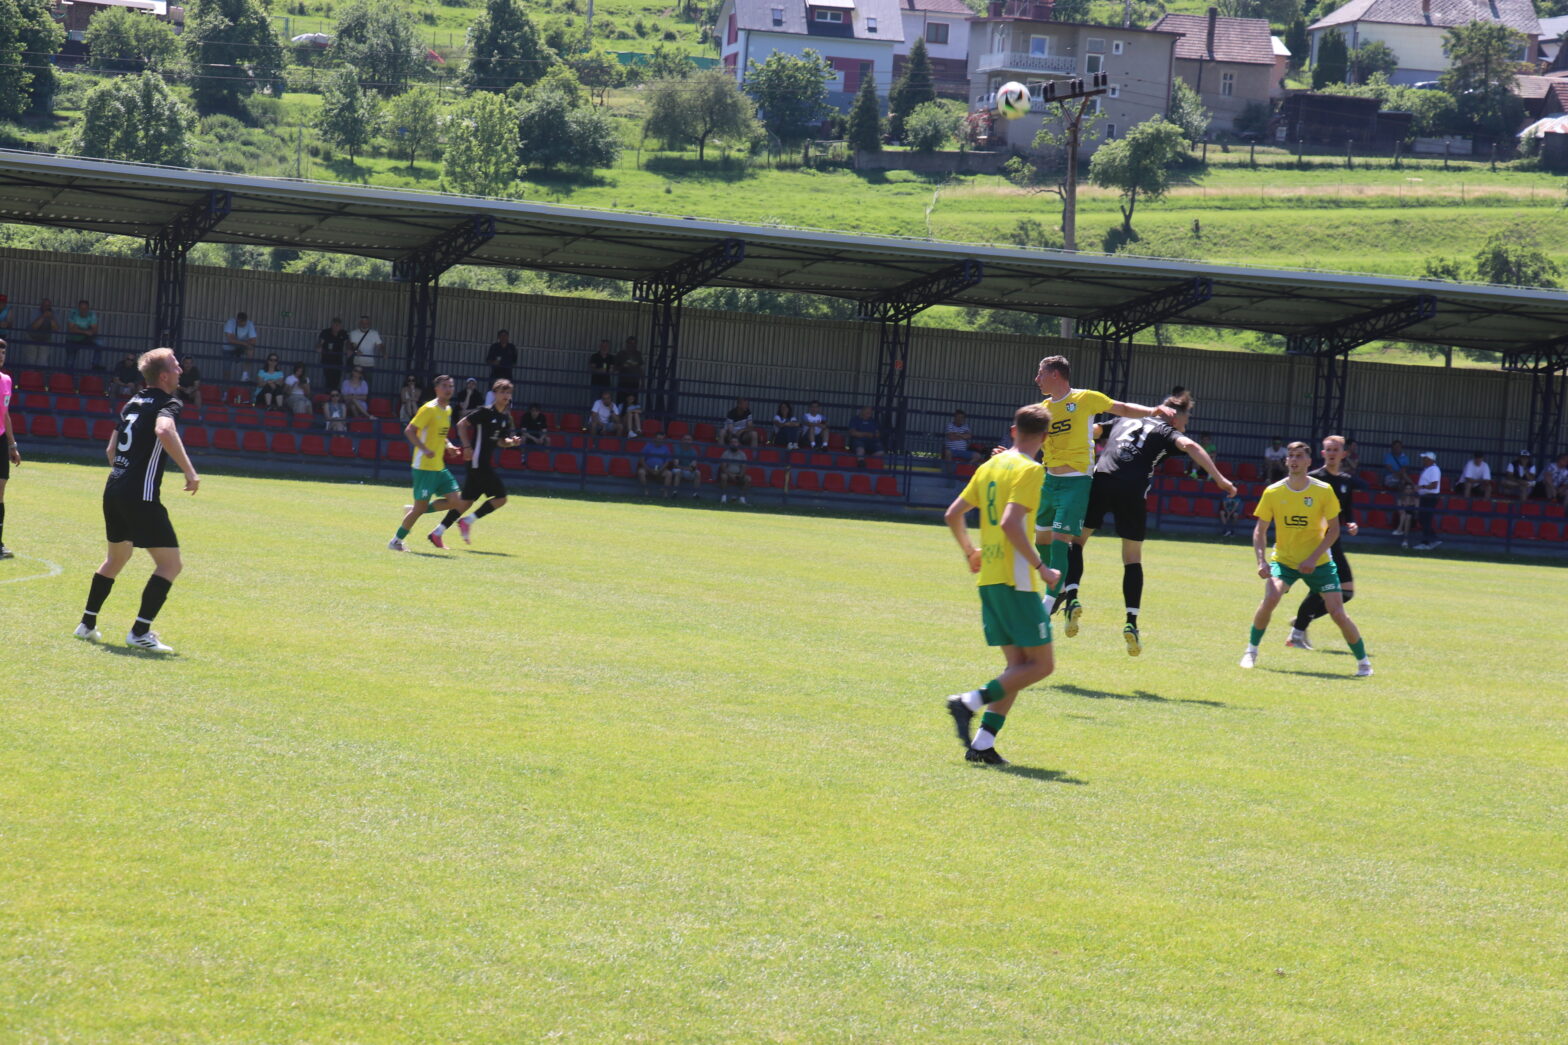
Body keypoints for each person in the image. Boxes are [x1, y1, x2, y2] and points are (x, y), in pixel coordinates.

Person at [1069, 391, 1235, 656]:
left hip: (1102, 479)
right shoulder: (1167, 431)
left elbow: (1091, 430)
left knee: (1076, 542)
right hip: (1132, 490)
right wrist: (1218, 478)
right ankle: (1131, 622)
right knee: (1132, 558)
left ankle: (1072, 596)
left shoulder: (1125, 419)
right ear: (1175, 414)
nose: (1187, 423)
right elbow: (1191, 446)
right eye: (1187, 417)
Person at [941, 403, 1059, 766]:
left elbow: (952, 514)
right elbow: (1011, 524)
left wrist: (969, 552)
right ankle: (968, 702)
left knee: (1017, 669)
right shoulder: (1031, 470)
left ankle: (982, 745)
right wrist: (1041, 567)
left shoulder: (989, 465)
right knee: (1042, 666)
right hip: (1016, 580)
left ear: (1013, 431)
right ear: (1044, 437)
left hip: (989, 578)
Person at [1028, 354, 1176, 625]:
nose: (1036, 379)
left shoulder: (1085, 399)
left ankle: (1049, 600)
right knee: (1041, 540)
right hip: (1050, 480)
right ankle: (1060, 586)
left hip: (1076, 480)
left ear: (1055, 375)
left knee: (1061, 539)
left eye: (1040, 373)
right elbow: (1034, 441)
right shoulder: (1044, 408)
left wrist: (1152, 411)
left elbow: (1121, 408)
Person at [74, 347, 200, 653]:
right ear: (164, 375)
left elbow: (110, 450)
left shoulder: (133, 401)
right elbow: (164, 429)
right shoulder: (168, 403)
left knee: (116, 559)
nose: (181, 370)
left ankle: (86, 625)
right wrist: (189, 471)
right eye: (175, 365)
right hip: (139, 496)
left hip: (114, 488)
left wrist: (125, 473)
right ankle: (140, 632)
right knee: (170, 565)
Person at [1239, 440, 1371, 677]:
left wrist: (1312, 558)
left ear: (1309, 462)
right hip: (1285, 560)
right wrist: (1261, 561)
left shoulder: (1322, 490)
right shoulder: (1273, 491)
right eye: (1290, 455)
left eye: (1299, 456)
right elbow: (1260, 530)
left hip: (1319, 562)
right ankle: (1251, 652)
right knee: (1271, 597)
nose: (1294, 460)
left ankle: (1364, 664)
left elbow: (1334, 531)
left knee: (1337, 612)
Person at [1287, 434, 1366, 652]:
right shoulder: (1312, 479)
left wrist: (1351, 523)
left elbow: (1346, 512)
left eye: (1335, 450)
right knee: (1325, 588)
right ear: (1322, 453)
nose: (1331, 454)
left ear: (1344, 454)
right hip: (1316, 543)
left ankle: (1301, 622)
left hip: (1335, 541)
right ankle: (1297, 633)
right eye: (1328, 450)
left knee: (1346, 592)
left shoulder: (1345, 481)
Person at [434, 378, 522, 547]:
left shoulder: (504, 417)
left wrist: (512, 442)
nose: (506, 395)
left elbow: (501, 441)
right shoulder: (485, 412)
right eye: (502, 392)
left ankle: (437, 532)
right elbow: (461, 424)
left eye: (508, 392)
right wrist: (466, 446)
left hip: (482, 463)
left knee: (466, 502)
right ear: (494, 394)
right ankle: (467, 521)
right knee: (501, 497)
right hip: (477, 461)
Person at [388, 374, 468, 552]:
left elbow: (441, 434)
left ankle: (415, 509)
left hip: (439, 466)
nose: (449, 389)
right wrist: (424, 449)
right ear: (436, 389)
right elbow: (409, 430)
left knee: (457, 501)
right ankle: (396, 541)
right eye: (445, 386)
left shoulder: (447, 409)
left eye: (451, 386)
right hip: (424, 467)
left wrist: (449, 445)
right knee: (420, 508)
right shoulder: (428, 409)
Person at [0, 338, 17, 559]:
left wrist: (12, 445)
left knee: (1, 491)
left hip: (1, 439)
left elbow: (5, 414)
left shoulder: (6, 380)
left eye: (3, 352)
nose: (1, 355)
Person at [1413, 450, 1442, 551]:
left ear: (1430, 460)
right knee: (1424, 519)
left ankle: (1428, 541)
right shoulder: (1429, 469)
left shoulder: (1434, 469)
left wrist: (1421, 487)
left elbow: (1434, 485)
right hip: (1426, 497)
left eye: (1425, 458)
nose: (1423, 460)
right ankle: (1431, 540)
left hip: (1430, 497)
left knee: (1425, 519)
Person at [221, 310, 258, 381]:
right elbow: (230, 339)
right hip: (228, 348)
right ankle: (225, 390)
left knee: (250, 350)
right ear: (237, 320)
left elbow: (254, 340)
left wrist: (237, 341)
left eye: (243, 323)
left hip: (241, 347)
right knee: (226, 369)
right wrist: (244, 343)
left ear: (246, 321)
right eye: (239, 322)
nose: (241, 324)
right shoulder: (230, 322)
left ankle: (245, 374)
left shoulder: (250, 324)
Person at [317, 317, 349, 394]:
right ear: (332, 325)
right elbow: (320, 343)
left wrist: (349, 349)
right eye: (334, 325)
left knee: (336, 381)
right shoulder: (325, 332)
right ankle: (327, 397)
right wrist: (319, 347)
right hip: (327, 361)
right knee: (328, 380)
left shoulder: (343, 333)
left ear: (340, 326)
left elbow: (347, 343)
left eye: (338, 325)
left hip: (338, 361)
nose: (336, 327)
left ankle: (334, 397)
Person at [65, 298, 100, 367]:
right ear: (78, 308)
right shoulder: (73, 313)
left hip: (86, 339)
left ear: (88, 308)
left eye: (85, 308)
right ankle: (68, 376)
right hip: (72, 339)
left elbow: (94, 330)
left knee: (100, 344)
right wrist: (86, 331)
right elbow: (71, 329)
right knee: (70, 361)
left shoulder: (92, 314)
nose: (83, 310)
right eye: (81, 308)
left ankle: (95, 364)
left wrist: (77, 329)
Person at [348, 315, 382, 384]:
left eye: (366, 323)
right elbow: (352, 346)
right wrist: (356, 351)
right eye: (362, 322)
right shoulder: (353, 333)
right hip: (357, 363)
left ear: (369, 323)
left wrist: (384, 352)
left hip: (369, 364)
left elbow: (380, 345)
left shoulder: (374, 333)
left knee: (368, 385)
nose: (364, 324)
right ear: (359, 323)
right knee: (354, 383)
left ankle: (367, 395)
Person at [26, 298, 60, 366]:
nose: (47, 307)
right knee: (31, 360)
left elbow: (56, 329)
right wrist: (43, 316)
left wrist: (51, 318)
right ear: (41, 306)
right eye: (45, 305)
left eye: (48, 305)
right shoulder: (35, 312)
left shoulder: (54, 314)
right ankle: (30, 375)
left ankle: (40, 375)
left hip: (45, 339)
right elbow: (34, 327)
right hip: (31, 337)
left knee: (43, 361)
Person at [716, 438, 750, 505]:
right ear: (729, 444)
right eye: (732, 442)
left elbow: (744, 467)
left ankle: (742, 499)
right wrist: (730, 475)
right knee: (723, 476)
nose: (733, 444)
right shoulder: (725, 453)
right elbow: (723, 467)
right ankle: (723, 498)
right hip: (728, 474)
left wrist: (740, 475)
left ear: (738, 444)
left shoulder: (742, 454)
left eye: (735, 442)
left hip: (738, 475)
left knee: (748, 479)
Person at [615, 335, 643, 404]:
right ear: (627, 344)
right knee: (621, 402)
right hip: (623, 382)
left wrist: (642, 382)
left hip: (634, 383)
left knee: (633, 403)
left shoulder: (638, 354)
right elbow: (615, 368)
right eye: (630, 343)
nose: (632, 345)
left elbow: (641, 369)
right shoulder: (621, 354)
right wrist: (623, 366)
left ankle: (632, 415)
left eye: (634, 343)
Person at [1393, 479, 1417, 547]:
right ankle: (1405, 540)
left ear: (1412, 490)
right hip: (1400, 517)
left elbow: (1416, 510)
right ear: (1404, 490)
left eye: (1410, 488)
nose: (1408, 490)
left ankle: (1399, 530)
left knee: (1408, 516)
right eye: (1407, 488)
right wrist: (1404, 508)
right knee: (1404, 514)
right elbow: (1399, 510)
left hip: (1412, 519)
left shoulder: (1415, 498)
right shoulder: (1400, 498)